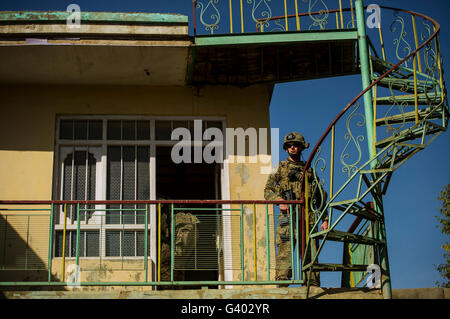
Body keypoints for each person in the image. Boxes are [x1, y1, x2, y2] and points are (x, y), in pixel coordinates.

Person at [264, 132, 328, 287]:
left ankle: (311, 282)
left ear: (301, 147)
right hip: (287, 216)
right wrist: (279, 201)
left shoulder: (310, 171)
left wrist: (324, 219)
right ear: (286, 149)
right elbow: (267, 190)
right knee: (285, 247)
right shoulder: (278, 167)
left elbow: (320, 196)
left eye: (296, 145)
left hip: (308, 215)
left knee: (310, 249)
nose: (292, 147)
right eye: (289, 145)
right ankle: (283, 281)